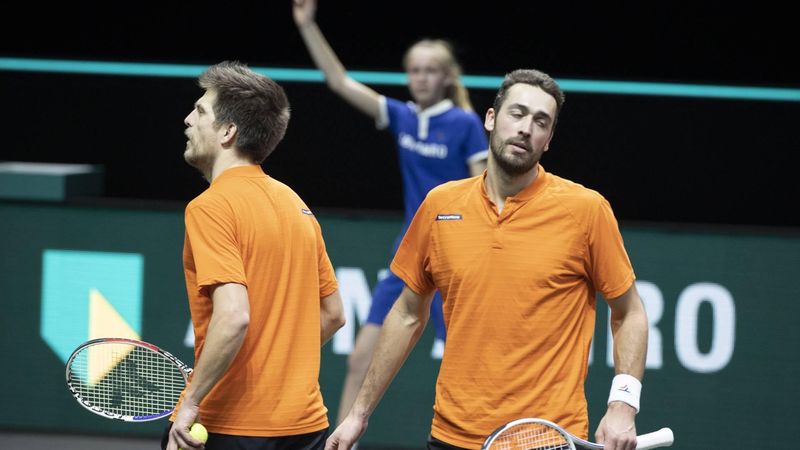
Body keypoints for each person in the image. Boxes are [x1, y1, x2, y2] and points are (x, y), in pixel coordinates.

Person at [326, 69, 650, 450]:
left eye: (541, 122)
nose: (526, 128)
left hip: (546, 439)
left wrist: (623, 404)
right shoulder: (440, 205)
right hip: (450, 436)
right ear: (491, 119)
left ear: (548, 140)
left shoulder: (586, 211)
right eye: (518, 113)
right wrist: (358, 413)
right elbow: (407, 314)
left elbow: (630, 313)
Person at [292, 0, 490, 432]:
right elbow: (339, 81)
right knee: (360, 358)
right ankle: (341, 441)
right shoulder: (403, 117)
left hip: (456, 260)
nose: (421, 78)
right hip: (409, 256)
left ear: (447, 77)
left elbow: (486, 190)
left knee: (470, 368)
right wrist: (307, 25)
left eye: (430, 70)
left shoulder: (466, 124)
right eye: (415, 70)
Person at [164, 60, 346, 450]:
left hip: (233, 425)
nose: (188, 120)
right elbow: (334, 315)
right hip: (305, 426)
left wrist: (191, 401)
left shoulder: (210, 207)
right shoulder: (296, 204)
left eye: (200, 112)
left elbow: (233, 316)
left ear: (227, 131)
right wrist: (274, 365)